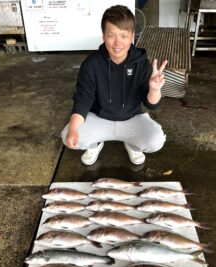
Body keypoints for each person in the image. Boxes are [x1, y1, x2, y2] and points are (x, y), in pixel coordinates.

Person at [61, 5, 167, 166]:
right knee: (67, 135)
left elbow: (151, 105)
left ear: (132, 36)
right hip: (99, 119)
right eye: (111, 35)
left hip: (132, 119)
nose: (118, 42)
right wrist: (74, 128)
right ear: (103, 36)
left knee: (156, 140)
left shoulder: (142, 64)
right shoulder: (91, 64)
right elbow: (83, 100)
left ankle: (132, 144)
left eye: (123, 36)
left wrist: (154, 89)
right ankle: (94, 144)